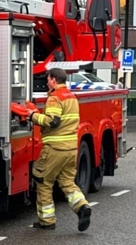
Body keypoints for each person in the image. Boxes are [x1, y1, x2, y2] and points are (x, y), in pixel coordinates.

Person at [24, 67, 92, 232]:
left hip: (55, 148)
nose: (47, 82)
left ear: (54, 79)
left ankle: (47, 221)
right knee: (68, 182)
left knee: (43, 181)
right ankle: (82, 207)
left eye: (48, 79)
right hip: (70, 148)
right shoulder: (72, 97)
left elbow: (53, 121)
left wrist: (32, 115)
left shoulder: (55, 98)